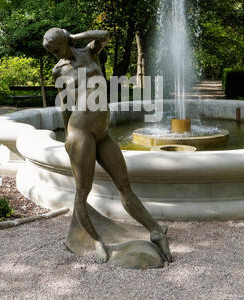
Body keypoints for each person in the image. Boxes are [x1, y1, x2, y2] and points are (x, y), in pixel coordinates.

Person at [43, 27, 172, 264]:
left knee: (124, 185)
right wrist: (66, 139)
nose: (54, 54)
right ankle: (96, 241)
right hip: (80, 131)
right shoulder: (58, 70)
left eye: (55, 48)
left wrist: (73, 38)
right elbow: (64, 104)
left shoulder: (89, 53)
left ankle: (155, 231)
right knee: (82, 192)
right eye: (50, 51)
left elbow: (103, 35)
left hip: (102, 132)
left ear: (65, 41)